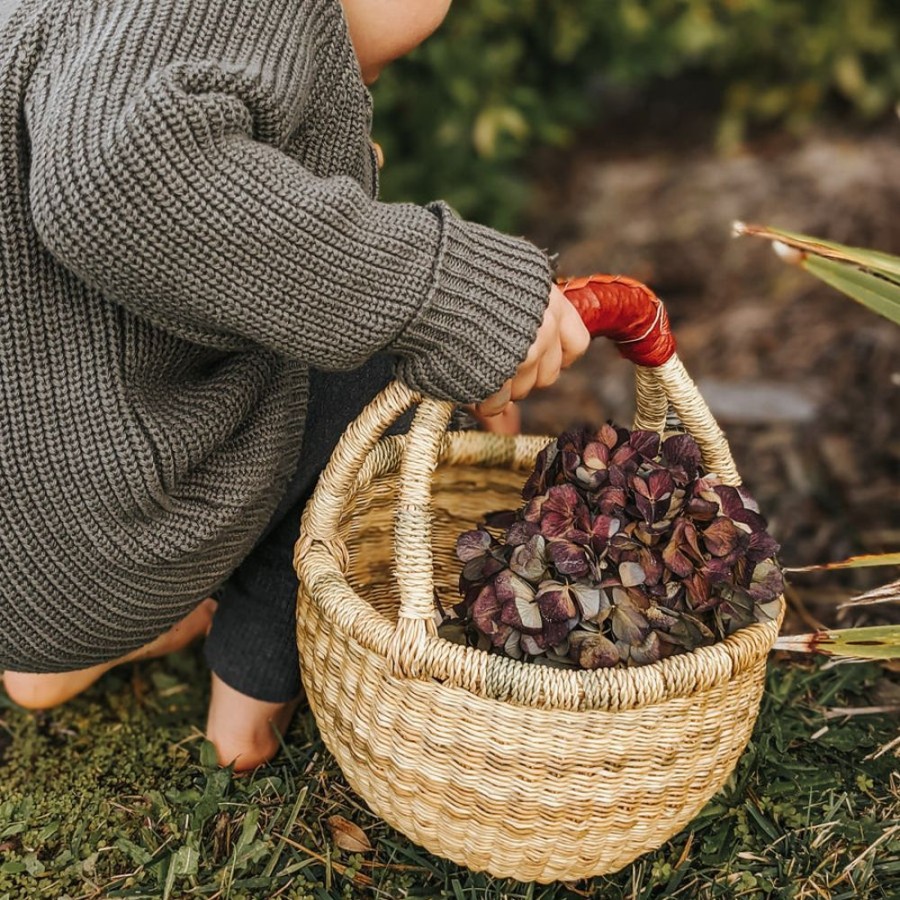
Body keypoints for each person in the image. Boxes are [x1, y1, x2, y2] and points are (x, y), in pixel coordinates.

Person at [0, 0, 590, 769]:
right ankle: (243, 717)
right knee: (394, 389)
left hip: (30, 529)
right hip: (94, 532)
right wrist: (444, 292)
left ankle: (60, 646)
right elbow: (117, 180)